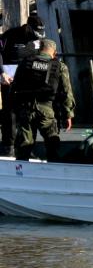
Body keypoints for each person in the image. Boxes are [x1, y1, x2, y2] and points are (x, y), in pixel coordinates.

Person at [11, 38, 74, 161]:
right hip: (47, 110)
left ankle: (21, 174)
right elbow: (66, 93)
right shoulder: (60, 66)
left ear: (39, 49)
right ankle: (52, 171)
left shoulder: (25, 62)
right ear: (54, 53)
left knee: (23, 146)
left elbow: (14, 86)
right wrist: (68, 114)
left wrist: (14, 108)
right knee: (52, 143)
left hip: (26, 109)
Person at [0, 13, 45, 155]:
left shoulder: (38, 40)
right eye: (35, 33)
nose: (37, 36)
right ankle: (9, 146)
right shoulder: (10, 35)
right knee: (10, 114)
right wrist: (1, 72)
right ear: (27, 27)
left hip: (29, 81)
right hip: (9, 79)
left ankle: (26, 146)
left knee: (28, 113)